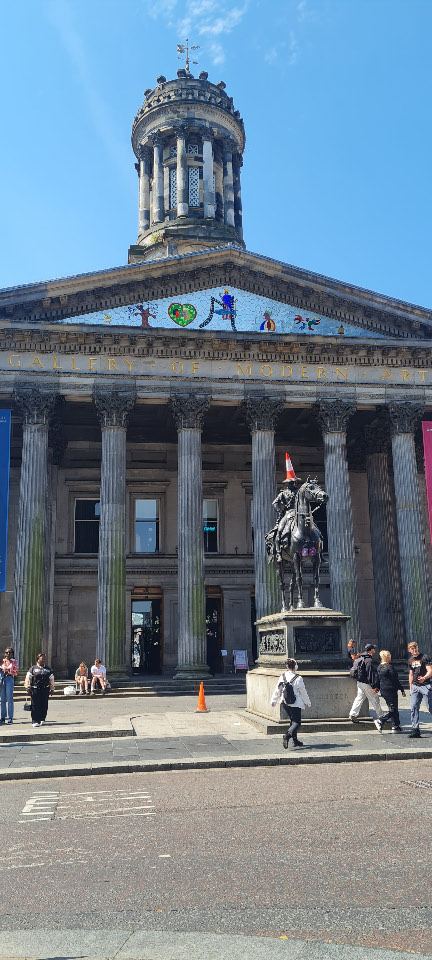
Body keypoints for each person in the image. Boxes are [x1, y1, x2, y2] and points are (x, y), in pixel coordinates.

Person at [271, 657, 311, 749]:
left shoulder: (282, 676)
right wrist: (307, 702)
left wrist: (273, 700)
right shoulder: (298, 678)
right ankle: (287, 736)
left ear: (287, 666)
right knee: (297, 723)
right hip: (295, 703)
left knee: (292, 721)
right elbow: (303, 692)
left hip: (284, 702)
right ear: (295, 667)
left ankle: (295, 741)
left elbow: (278, 690)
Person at [349, 643, 383, 727]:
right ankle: (381, 716)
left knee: (359, 698)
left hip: (359, 682)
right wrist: (374, 686)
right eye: (373, 649)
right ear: (371, 650)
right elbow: (370, 674)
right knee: (375, 699)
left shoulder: (360, 658)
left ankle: (353, 714)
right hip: (366, 683)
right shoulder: (369, 660)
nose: (374, 650)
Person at [376, 650, 405, 733]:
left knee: (393, 707)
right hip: (391, 690)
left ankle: (396, 726)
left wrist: (377, 688)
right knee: (393, 709)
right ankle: (381, 720)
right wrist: (401, 689)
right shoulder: (389, 667)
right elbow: (395, 680)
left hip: (383, 690)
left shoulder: (379, 667)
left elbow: (378, 679)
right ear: (388, 657)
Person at [407, 641, 432, 739]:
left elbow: (430, 670)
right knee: (413, 707)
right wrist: (410, 688)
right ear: (409, 650)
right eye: (412, 648)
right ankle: (415, 729)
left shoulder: (424, 657)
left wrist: (424, 678)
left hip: (425, 685)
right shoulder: (410, 660)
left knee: (430, 707)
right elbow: (411, 674)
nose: (415, 650)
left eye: (415, 647)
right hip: (415, 686)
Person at [24, 653, 55, 727]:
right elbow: (27, 678)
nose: (43, 660)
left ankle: (42, 719)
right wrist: (27, 687)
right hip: (35, 689)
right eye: (42, 658)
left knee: (44, 704)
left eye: (44, 659)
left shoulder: (48, 669)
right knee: (35, 705)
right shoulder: (33, 668)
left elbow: (51, 679)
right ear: (38, 659)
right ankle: (35, 720)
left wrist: (52, 689)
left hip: (45, 689)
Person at [0, 646, 19, 724]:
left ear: (12, 654)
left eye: (9, 652)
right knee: (2, 699)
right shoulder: (2, 661)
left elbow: (16, 672)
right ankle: (3, 717)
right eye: (6, 652)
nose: (8, 654)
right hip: (2, 679)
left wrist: (9, 671)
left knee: (9, 698)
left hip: (9, 679)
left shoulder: (14, 661)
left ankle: (10, 717)